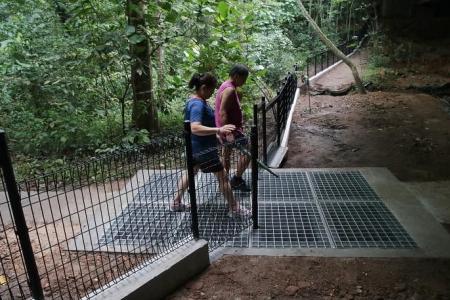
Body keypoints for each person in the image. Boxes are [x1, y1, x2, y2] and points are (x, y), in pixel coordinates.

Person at [171, 72, 248, 216]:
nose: (212, 94)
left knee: (191, 172)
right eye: (211, 91)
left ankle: (176, 202)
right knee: (223, 177)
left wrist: (215, 134)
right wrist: (219, 129)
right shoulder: (197, 105)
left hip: (194, 148)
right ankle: (234, 208)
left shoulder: (193, 100)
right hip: (204, 151)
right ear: (204, 88)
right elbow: (195, 127)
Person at [215, 64, 250, 191]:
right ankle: (236, 179)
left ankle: (224, 184)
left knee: (226, 155)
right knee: (248, 152)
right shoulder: (229, 89)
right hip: (230, 130)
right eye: (243, 79)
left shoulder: (226, 86)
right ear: (236, 76)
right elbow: (222, 111)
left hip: (226, 128)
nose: (244, 82)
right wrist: (228, 133)